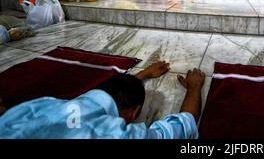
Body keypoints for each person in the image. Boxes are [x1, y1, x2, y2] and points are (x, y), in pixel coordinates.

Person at [0, 61, 206, 139]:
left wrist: (142, 75)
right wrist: (195, 87)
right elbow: (183, 124)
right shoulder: (116, 134)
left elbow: (94, 100)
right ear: (134, 113)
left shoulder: (40, 105)